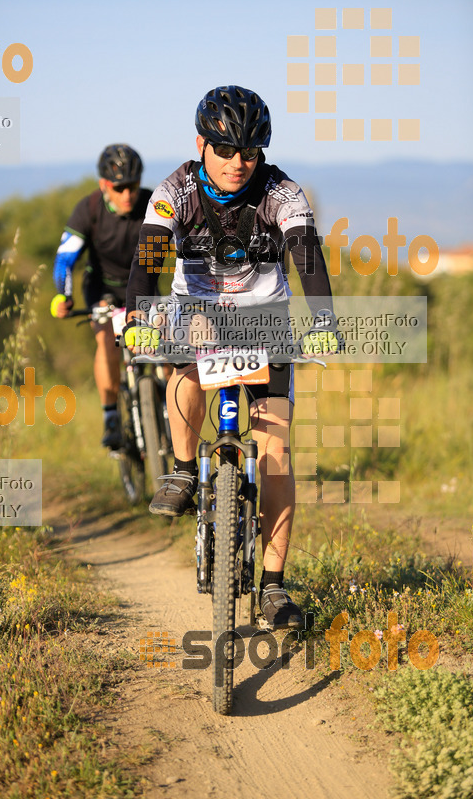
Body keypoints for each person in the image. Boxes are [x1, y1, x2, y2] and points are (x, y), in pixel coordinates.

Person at [125, 86, 340, 629]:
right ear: (201, 144)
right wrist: (137, 319)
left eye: (250, 152)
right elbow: (149, 255)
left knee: (275, 453)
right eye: (225, 150)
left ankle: (273, 587)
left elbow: (308, 256)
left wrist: (324, 319)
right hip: (195, 312)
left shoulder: (282, 193)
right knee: (184, 367)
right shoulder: (174, 191)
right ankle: (179, 469)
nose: (238, 163)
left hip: (266, 320)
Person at [50, 144, 150, 448]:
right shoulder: (89, 209)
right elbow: (65, 258)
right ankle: (110, 415)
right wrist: (64, 296)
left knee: (166, 346)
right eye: (120, 188)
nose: (127, 195)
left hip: (143, 287)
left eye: (133, 186)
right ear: (104, 185)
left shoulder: (152, 203)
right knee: (107, 339)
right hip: (102, 289)